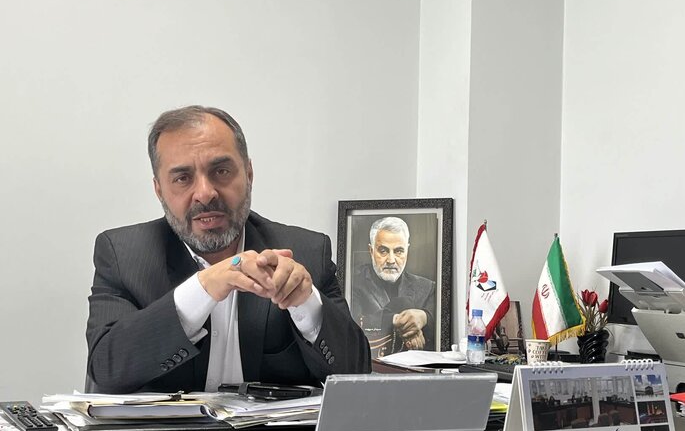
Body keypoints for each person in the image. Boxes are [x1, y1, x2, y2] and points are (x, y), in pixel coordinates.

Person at [85, 105, 371, 393]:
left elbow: (357, 374)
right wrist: (203, 288)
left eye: (221, 171)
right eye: (183, 178)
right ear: (159, 190)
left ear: (248, 173)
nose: (205, 193)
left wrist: (306, 303)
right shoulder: (124, 255)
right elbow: (107, 369)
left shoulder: (306, 252)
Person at [351, 217, 435, 358]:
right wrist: (397, 320)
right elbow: (352, 324)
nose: (391, 260)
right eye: (383, 251)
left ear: (407, 251)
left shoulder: (427, 288)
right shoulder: (352, 282)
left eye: (398, 251)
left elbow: (442, 326)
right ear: (371, 251)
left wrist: (425, 317)